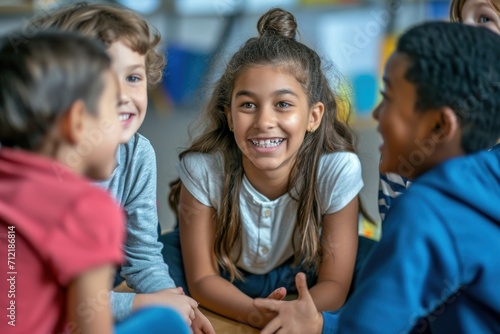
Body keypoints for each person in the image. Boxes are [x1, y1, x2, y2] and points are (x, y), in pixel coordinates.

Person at [254, 21, 500, 333]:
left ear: (440, 126)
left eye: (390, 99)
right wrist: (321, 325)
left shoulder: (427, 210)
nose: (376, 113)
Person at [160, 7, 364, 328]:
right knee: (158, 263)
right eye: (248, 105)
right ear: (229, 116)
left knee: (370, 262)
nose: (264, 121)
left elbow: (335, 285)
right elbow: (201, 278)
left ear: (313, 116)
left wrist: (298, 315)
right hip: (225, 276)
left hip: (301, 274)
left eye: (282, 104)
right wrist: (261, 317)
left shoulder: (337, 169)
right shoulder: (202, 170)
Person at [30, 3, 213, 332]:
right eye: (103, 79)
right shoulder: (31, 166)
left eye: (133, 77)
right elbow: (30, 293)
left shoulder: (137, 155)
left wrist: (175, 305)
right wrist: (142, 303)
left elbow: (142, 255)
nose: (123, 95)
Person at [0, 30, 190, 334]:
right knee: (165, 323)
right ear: (77, 122)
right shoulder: (86, 207)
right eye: (110, 110)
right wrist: (153, 305)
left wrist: (168, 296)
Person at [378, 0, 500, 222]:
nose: (464, 32)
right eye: (460, 21)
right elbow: (398, 236)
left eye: (484, 19)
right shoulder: (410, 142)